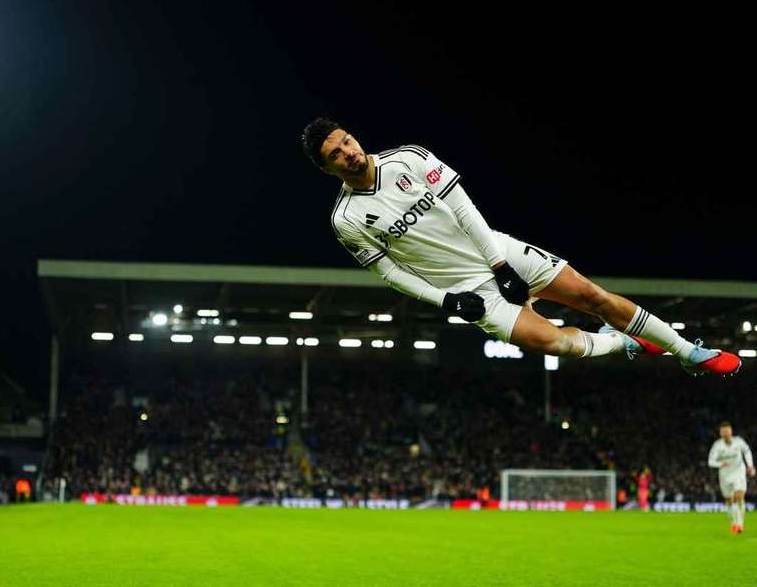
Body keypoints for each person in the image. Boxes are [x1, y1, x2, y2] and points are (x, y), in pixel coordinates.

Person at [301, 118, 741, 376]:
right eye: (336, 155)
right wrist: (449, 299)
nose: (349, 152)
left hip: (496, 251)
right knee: (557, 345)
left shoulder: (409, 159)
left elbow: (462, 207)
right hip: (471, 292)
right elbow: (393, 274)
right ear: (326, 170)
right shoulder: (347, 220)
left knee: (592, 296)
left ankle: (688, 353)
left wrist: (499, 263)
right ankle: (617, 343)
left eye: (347, 141)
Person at [708, 421, 754, 534]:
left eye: (727, 431)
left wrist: (750, 465)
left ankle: (740, 524)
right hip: (725, 475)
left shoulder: (739, 442)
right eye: (723, 432)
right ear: (720, 433)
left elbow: (747, 452)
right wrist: (720, 464)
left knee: (739, 496)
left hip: (739, 472)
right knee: (729, 500)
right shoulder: (717, 445)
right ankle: (734, 523)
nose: (725, 434)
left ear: (731, 431)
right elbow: (710, 462)